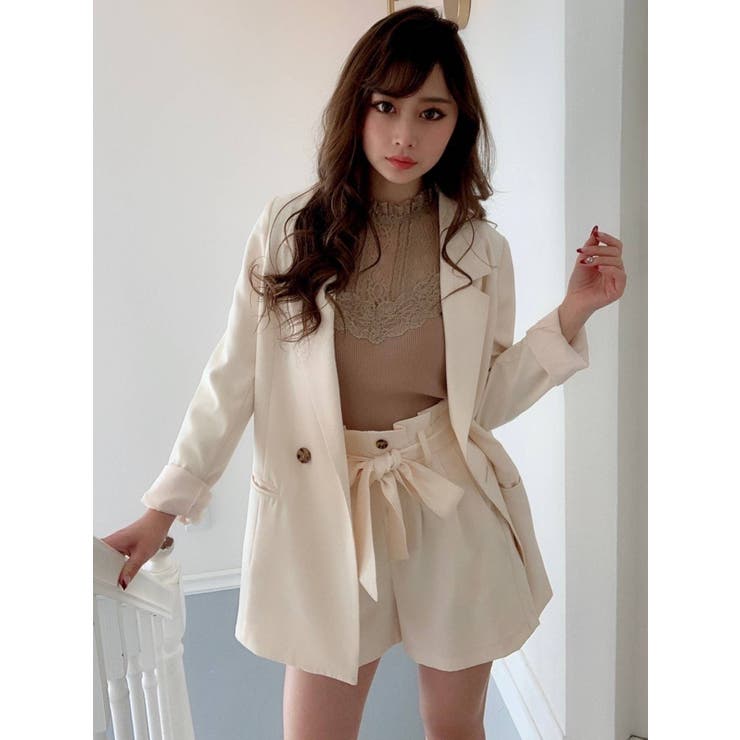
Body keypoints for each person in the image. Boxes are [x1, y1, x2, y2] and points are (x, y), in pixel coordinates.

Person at [103, 6, 626, 739]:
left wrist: (573, 312)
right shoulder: (289, 228)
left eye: (431, 112)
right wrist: (165, 507)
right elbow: (234, 374)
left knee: (454, 725)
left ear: (459, 124)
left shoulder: (480, 248)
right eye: (386, 106)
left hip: (448, 500)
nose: (405, 135)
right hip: (325, 502)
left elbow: (483, 401)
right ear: (357, 106)